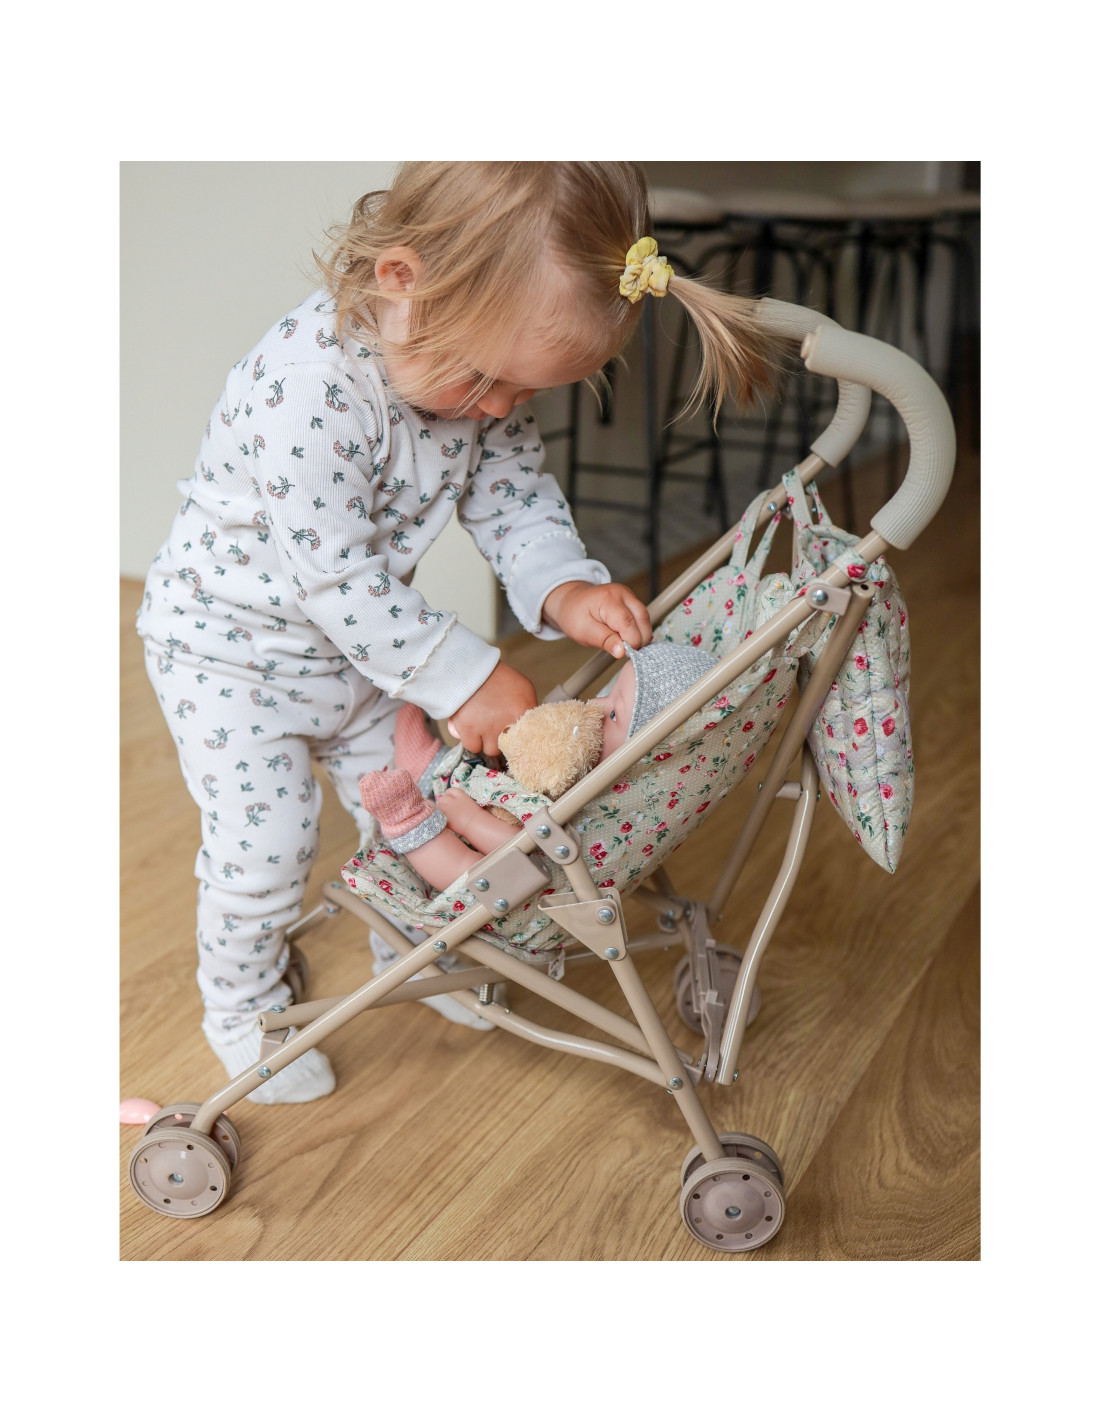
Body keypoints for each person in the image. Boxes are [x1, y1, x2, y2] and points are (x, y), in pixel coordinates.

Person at [136, 162, 775, 1103]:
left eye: (524, 393)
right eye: (490, 381)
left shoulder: (469, 377)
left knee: (413, 814)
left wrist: (562, 586)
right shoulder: (305, 389)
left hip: (359, 661)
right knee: (265, 849)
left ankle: (413, 953)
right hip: (228, 660)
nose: (501, 409)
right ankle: (243, 1008)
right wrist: (465, 676)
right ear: (403, 280)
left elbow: (514, 498)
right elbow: (334, 575)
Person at [360, 642, 720, 892]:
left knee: (464, 869)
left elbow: (539, 850)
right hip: (489, 815)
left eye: (614, 713)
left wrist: (469, 821)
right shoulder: (590, 769)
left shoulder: (612, 803)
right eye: (608, 694)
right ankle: (431, 769)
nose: (596, 704)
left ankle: (407, 818)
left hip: (502, 885)